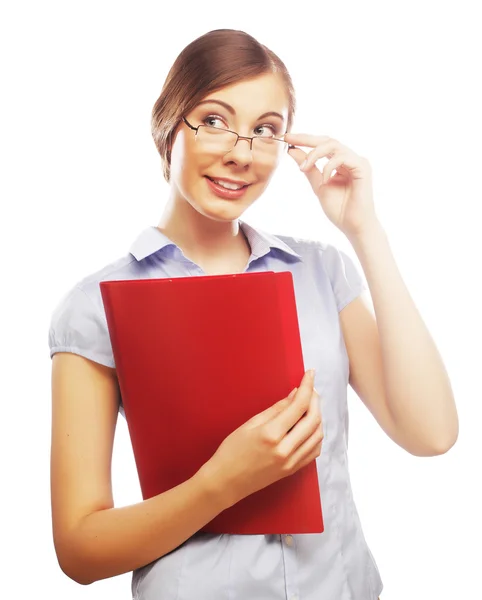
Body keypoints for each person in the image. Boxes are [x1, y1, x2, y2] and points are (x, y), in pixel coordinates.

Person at [48, 28, 458, 600]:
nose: (241, 152)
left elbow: (432, 434)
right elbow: (80, 550)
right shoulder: (97, 304)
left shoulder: (321, 271)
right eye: (214, 120)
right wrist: (222, 483)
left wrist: (364, 229)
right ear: (169, 126)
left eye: (265, 130)